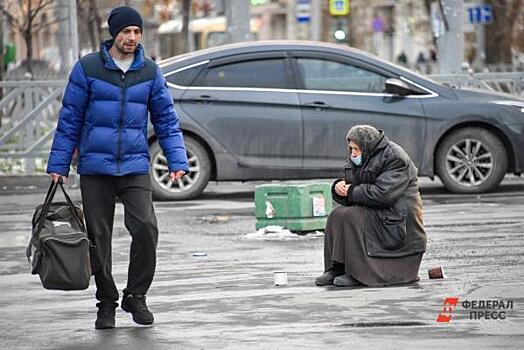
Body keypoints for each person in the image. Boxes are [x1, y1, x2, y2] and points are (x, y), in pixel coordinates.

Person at [46, 6, 189, 329]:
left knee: (146, 229)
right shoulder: (88, 68)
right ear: (114, 33)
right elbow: (69, 120)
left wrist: (177, 160)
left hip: (135, 166)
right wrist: (59, 163)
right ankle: (106, 301)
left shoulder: (149, 71)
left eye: (137, 32)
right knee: (98, 237)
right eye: (126, 32)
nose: (132, 38)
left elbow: (166, 120)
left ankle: (136, 295)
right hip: (95, 168)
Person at [315, 125, 426, 287]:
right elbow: (353, 188)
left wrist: (351, 191)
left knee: (351, 216)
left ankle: (359, 274)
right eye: (350, 148)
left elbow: (383, 194)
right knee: (337, 215)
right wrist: (339, 188)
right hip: (379, 213)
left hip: (396, 221)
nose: (352, 153)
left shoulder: (395, 157)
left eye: (356, 149)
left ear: (367, 146)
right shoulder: (361, 157)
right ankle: (337, 268)